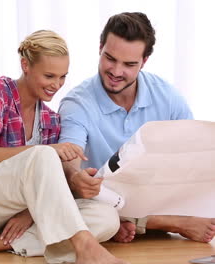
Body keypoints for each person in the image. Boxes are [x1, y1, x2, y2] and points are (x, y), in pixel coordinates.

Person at [0, 30, 128, 264]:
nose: (57, 85)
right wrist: (48, 152)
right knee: (43, 155)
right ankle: (86, 249)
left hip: (2, 221)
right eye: (49, 75)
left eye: (62, 77)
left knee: (106, 218)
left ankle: (0, 243)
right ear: (25, 65)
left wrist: (32, 212)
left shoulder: (51, 120)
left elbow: (45, 184)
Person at [58, 12, 215, 244]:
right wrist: (74, 176)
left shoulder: (167, 96)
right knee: (96, 210)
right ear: (100, 48)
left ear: (144, 61)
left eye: (129, 64)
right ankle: (166, 222)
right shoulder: (77, 103)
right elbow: (69, 153)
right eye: (109, 58)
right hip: (105, 200)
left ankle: (142, 221)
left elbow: (191, 154)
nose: (116, 71)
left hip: (156, 195)